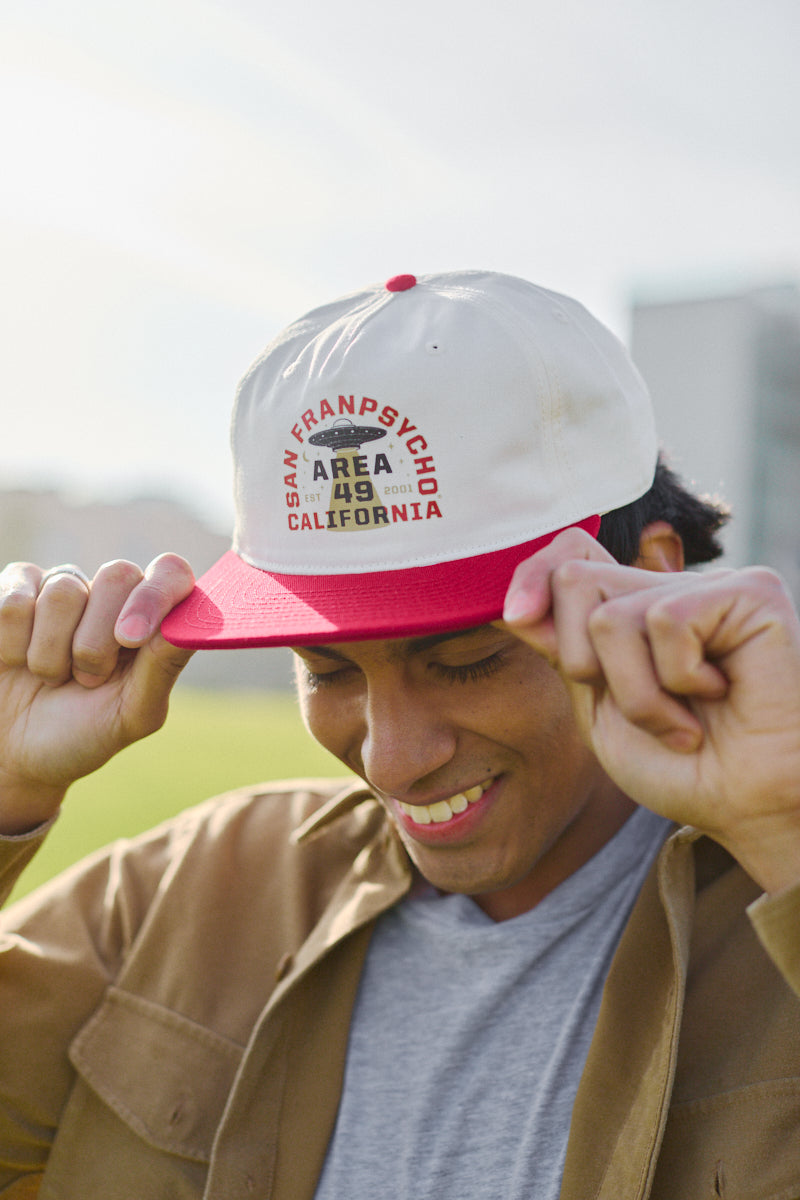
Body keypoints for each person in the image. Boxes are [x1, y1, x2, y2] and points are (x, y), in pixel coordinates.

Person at [1, 270, 799, 1200]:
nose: (391, 759)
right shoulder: (187, 893)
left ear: (653, 579)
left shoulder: (770, 919)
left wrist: (784, 825)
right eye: (328, 670)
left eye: (465, 658)